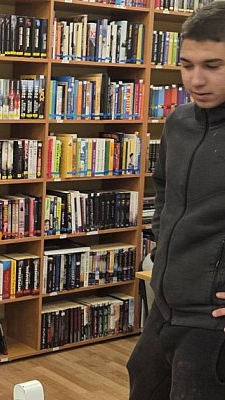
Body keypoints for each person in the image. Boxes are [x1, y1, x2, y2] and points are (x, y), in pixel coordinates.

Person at [127, 2, 225, 398]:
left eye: (213, 66)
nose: (196, 80)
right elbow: (164, 191)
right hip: (165, 306)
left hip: (213, 322)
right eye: (187, 65)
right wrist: (164, 242)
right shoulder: (178, 121)